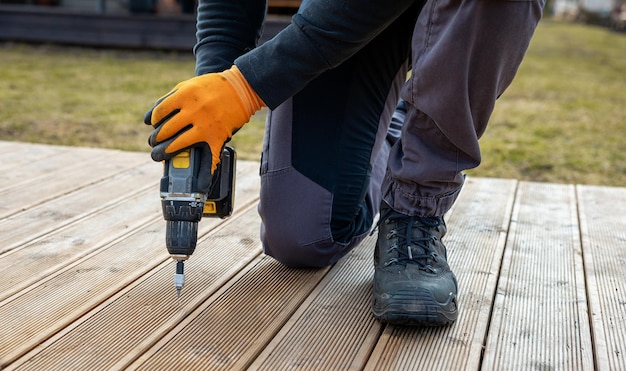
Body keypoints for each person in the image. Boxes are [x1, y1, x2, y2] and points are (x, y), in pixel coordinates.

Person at [145, 0, 545, 326]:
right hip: (343, 15)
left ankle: (415, 210)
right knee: (305, 236)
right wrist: (214, 86)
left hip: (466, 16)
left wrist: (246, 86)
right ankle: (401, 120)